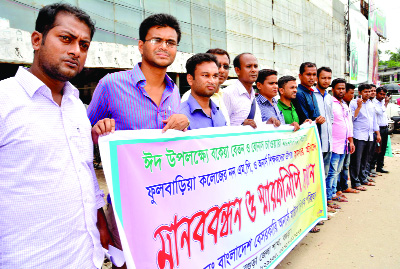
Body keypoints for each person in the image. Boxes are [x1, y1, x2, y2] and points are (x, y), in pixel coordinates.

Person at [0, 3, 111, 267]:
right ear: (37, 40)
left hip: (85, 255)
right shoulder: (4, 99)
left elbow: (84, 171)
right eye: (65, 39)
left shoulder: (75, 104)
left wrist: (100, 223)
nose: (75, 50)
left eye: (84, 45)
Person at [87, 13, 189, 268]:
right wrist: (98, 130)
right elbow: (83, 139)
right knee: (127, 263)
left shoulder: (174, 90)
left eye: (171, 42)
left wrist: (184, 125)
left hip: (169, 198)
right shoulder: (111, 84)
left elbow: (176, 145)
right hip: (126, 204)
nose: (164, 46)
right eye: (157, 39)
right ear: (141, 45)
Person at [325, 79, 355, 208]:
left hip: (344, 144)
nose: (341, 91)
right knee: (331, 172)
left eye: (343, 88)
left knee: (337, 170)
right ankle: (328, 197)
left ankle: (333, 193)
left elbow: (349, 124)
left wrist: (351, 141)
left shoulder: (344, 104)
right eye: (339, 88)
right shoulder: (329, 102)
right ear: (333, 89)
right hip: (334, 144)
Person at [181, 48, 231, 125]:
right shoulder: (180, 115)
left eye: (215, 76)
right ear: (190, 79)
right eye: (205, 75)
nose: (212, 81)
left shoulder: (218, 112)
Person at [349, 84, 381, 191]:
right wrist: (359, 107)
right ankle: (355, 182)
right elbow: (352, 118)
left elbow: (374, 120)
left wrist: (378, 134)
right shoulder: (354, 103)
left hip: (369, 136)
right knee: (356, 160)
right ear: (360, 93)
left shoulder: (371, 104)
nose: (368, 94)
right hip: (358, 135)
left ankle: (363, 178)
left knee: (365, 159)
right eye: (365, 92)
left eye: (369, 91)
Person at [223, 53, 262, 128]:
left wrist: (268, 124)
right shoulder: (228, 93)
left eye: (255, 66)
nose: (253, 70)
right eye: (248, 66)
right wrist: (241, 126)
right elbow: (222, 127)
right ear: (237, 70)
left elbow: (256, 124)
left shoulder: (253, 94)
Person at [337, 83, 360, 194]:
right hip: (338, 142)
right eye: (350, 93)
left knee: (345, 165)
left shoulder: (346, 105)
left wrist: (351, 141)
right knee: (336, 168)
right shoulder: (336, 104)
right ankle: (337, 189)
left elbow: (349, 124)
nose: (352, 96)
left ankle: (344, 186)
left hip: (347, 141)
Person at [314, 67, 333, 178]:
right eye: (323, 78)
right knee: (317, 175)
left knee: (325, 173)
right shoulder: (312, 95)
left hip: (329, 141)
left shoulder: (329, 97)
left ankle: (327, 195)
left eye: (329, 78)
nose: (326, 81)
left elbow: (331, 118)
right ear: (317, 78)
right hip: (317, 141)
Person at [371, 87, 390, 173]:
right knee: (376, 149)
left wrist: (384, 103)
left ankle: (380, 166)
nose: (382, 96)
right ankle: (372, 167)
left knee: (383, 148)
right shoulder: (374, 103)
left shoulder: (382, 102)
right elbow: (379, 112)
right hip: (378, 129)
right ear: (377, 94)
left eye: (384, 94)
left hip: (385, 128)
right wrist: (385, 104)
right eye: (381, 94)